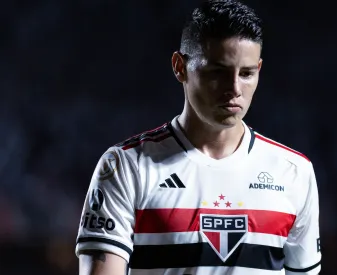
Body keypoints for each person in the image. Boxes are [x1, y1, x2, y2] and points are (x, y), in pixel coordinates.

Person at [76, 0, 321, 274]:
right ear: (180, 66)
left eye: (247, 73)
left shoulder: (294, 172)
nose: (234, 88)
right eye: (218, 73)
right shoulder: (126, 167)